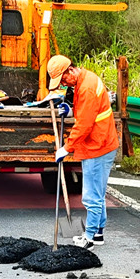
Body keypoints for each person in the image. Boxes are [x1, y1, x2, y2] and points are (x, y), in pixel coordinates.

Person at [47, 54, 118, 250]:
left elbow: (85, 125)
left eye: (63, 79)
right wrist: (70, 110)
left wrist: (66, 148)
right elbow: (89, 110)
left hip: (97, 145)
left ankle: (89, 238)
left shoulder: (85, 87)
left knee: (91, 195)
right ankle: (98, 232)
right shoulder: (85, 79)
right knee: (98, 192)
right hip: (103, 141)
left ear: (70, 70)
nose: (63, 84)